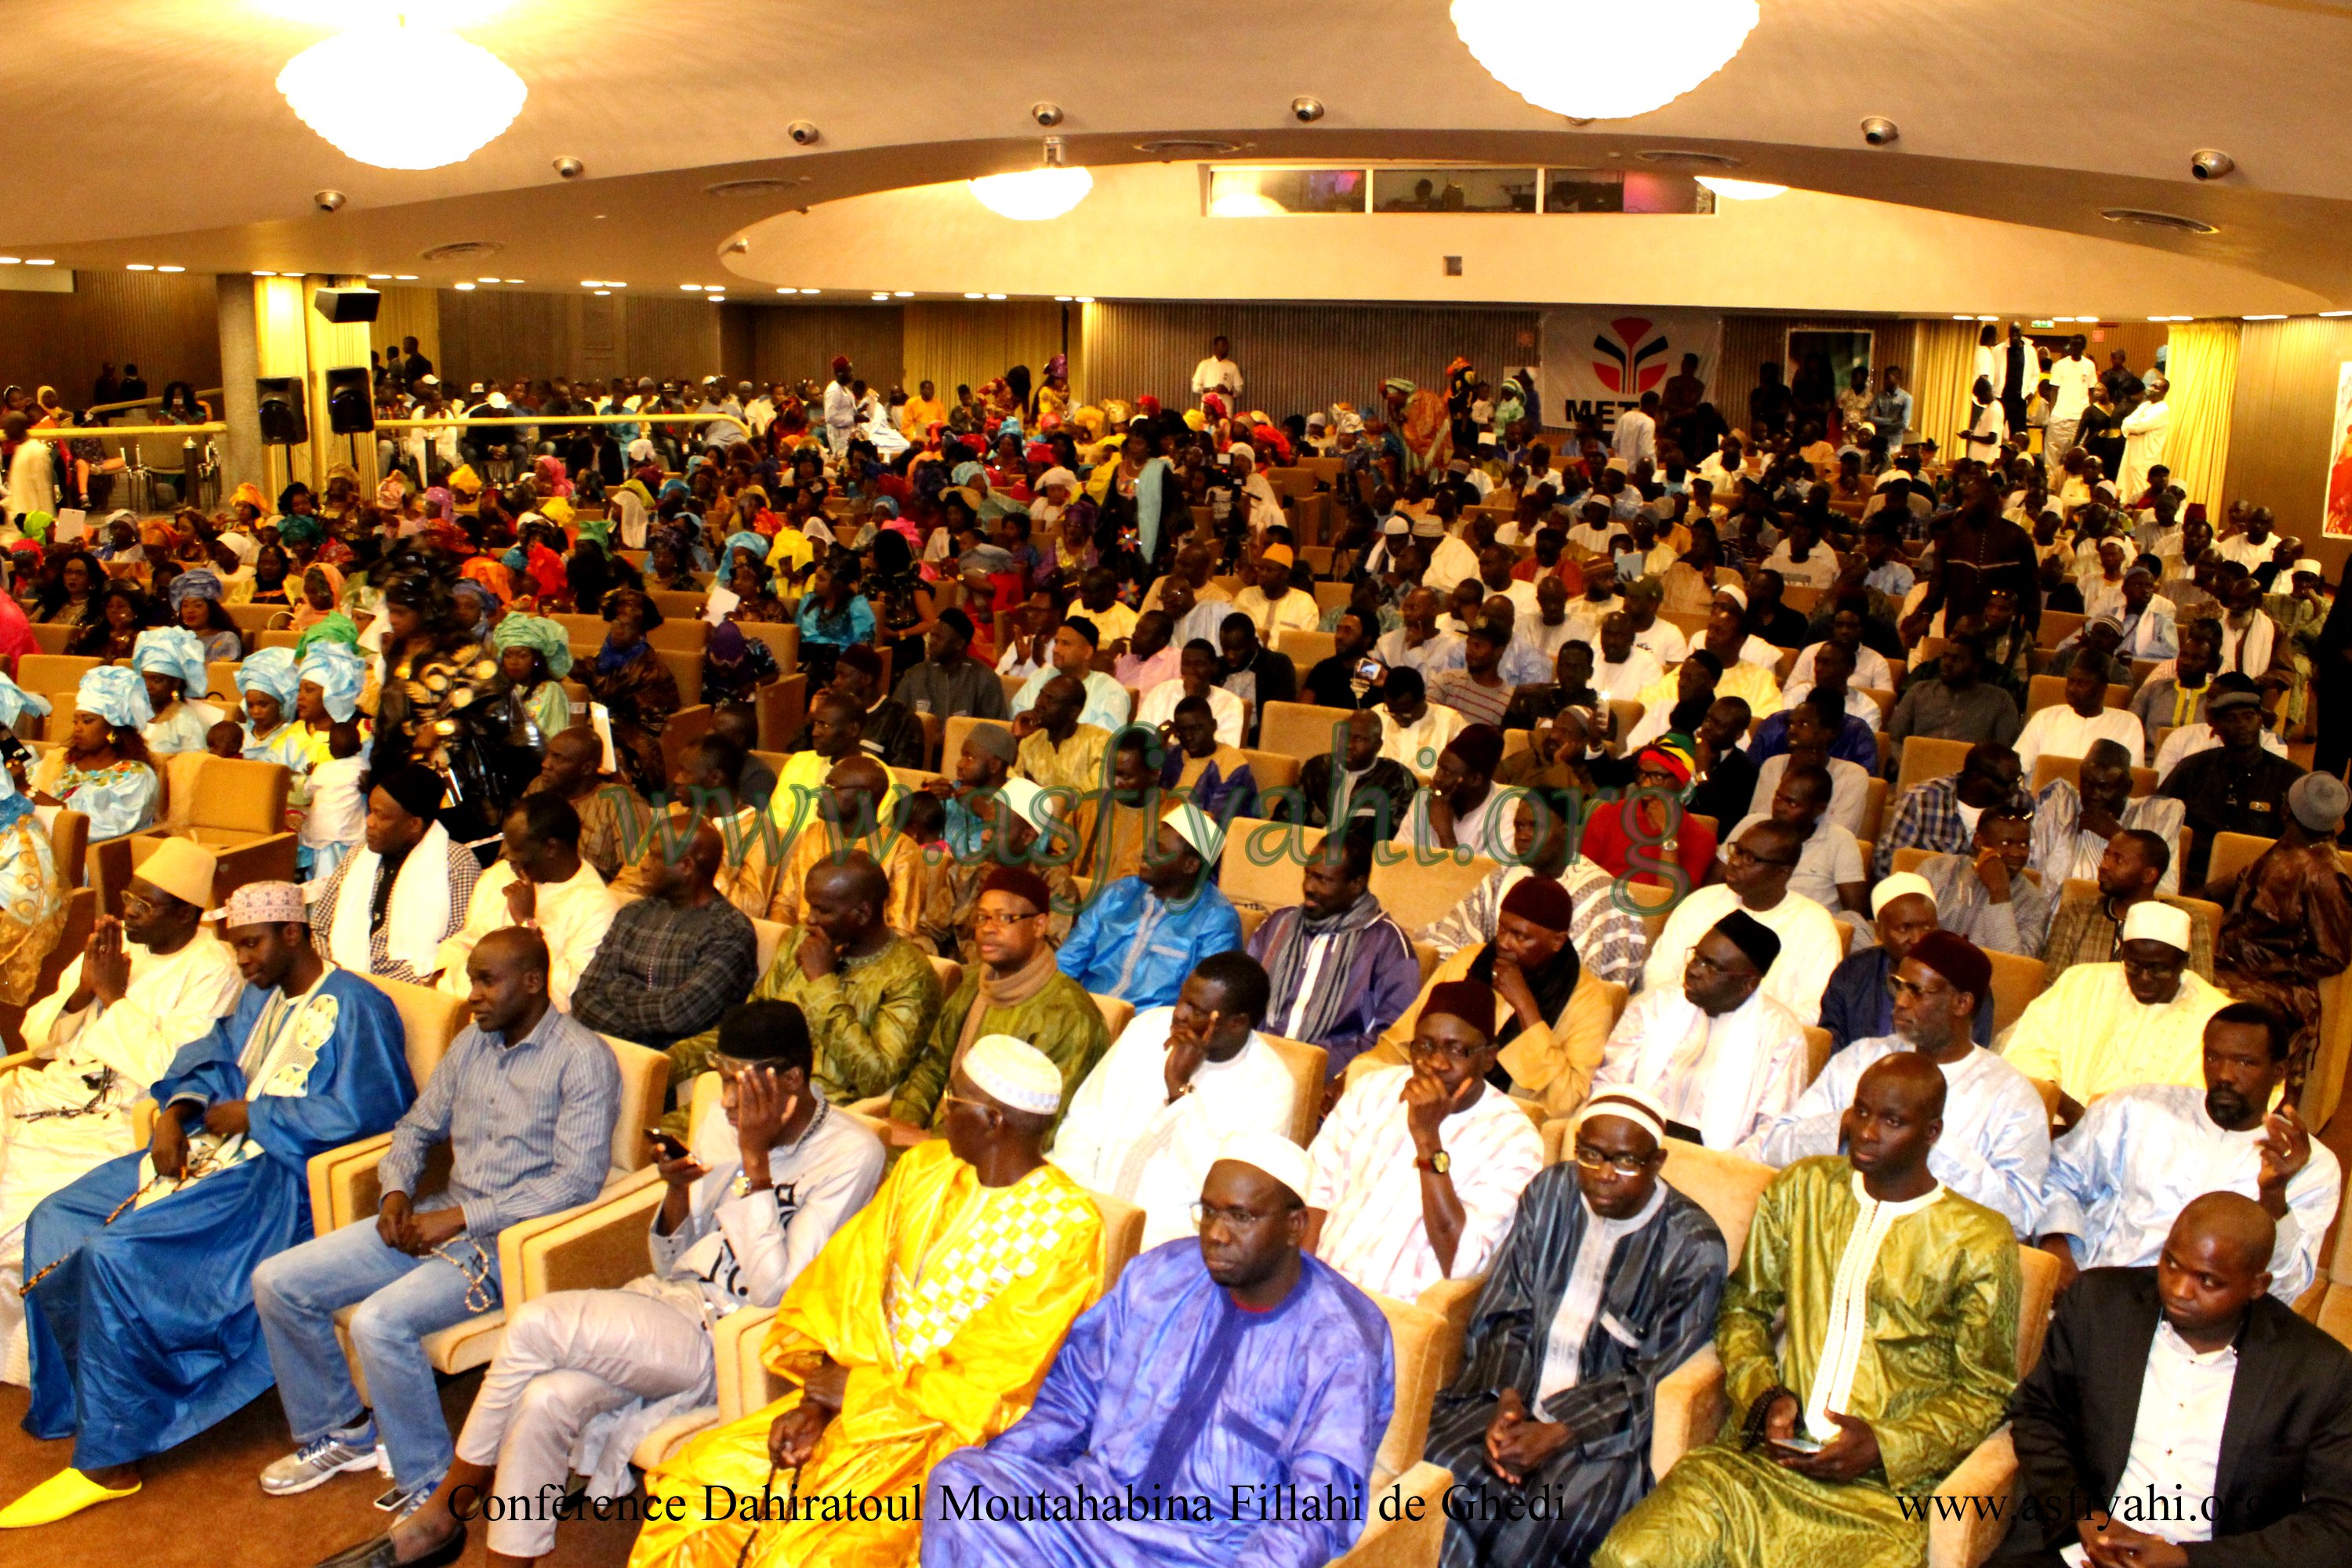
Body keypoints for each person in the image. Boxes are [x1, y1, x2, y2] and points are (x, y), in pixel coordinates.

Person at [318, 1000, 886, 1567]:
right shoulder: (721, 1120)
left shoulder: (851, 1154)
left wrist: (754, 1166)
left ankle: (441, 1515)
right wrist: (677, 1196)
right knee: (544, 1400)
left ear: (791, 1078)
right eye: (722, 1081)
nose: (729, 1102)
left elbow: (775, 1291)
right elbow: (675, 1261)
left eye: (743, 1085)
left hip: (729, 1340)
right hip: (668, 1305)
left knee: (536, 1324)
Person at [2, 882, 413, 1528]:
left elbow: (376, 1110)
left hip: (275, 1182)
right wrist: (174, 1114)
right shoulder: (259, 995)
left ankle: (110, 1461)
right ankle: (86, 1403)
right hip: (207, 1146)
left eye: (251, 946)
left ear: (293, 935)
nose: (242, 961)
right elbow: (209, 1056)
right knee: (57, 1215)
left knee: (113, 1253)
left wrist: (260, 1114)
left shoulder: (360, 1006)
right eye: (237, 946)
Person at [626, 1035, 1106, 1568]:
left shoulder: (1065, 1227)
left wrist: (854, 1395)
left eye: (953, 1099)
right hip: (848, 1402)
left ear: (994, 1121)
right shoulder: (925, 1168)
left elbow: (994, 1384)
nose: (941, 1110)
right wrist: (814, 1404)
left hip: (942, 1444)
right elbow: (845, 1289)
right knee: (693, 1490)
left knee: (806, 1553)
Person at [1592, 1056, 2022, 1568]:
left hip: (1880, 1498)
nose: (1866, 1132)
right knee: (1629, 1556)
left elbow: (1986, 1390)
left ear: (1933, 1132)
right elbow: (1743, 1308)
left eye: (1892, 1121)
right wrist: (1765, 1396)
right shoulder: (1803, 1189)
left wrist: (1885, 1446)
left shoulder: (1977, 1240)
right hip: (1759, 1468)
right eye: (1860, 1112)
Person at [250, 929, 619, 1517]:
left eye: (486, 981)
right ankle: (342, 1431)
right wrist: (395, 1191)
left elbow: (575, 1182)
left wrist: (463, 1218)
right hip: (433, 1218)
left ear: (531, 982)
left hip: (506, 1246)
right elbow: (417, 1127)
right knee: (278, 1281)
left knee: (379, 1322)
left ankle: (434, 1482)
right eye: (471, 979)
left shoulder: (582, 1060)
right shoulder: (473, 1044)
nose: (471, 995)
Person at [925, 1130, 1392, 1568]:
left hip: (1203, 1550)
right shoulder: (1159, 1278)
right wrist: (1004, 1468)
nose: (1216, 1233)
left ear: (1295, 1226)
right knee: (961, 1484)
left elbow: (1316, 1508)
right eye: (1208, 1211)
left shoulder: (1340, 1343)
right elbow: (1070, 1403)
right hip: (1093, 1513)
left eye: (1241, 1216)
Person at [1426, 1087, 1730, 1568]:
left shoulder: (1694, 1247)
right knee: (1437, 1475)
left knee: (1534, 1527)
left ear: (1658, 1162)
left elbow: (1651, 1378)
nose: (1604, 1175)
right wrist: (1508, 1405)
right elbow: (1509, 1307)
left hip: (1604, 1435)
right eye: (1590, 1154)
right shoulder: (1550, 1193)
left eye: (1626, 1161)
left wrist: (1557, 1432)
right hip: (1511, 1391)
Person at [1994, 1192, 2352, 1568]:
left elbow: (2339, 1520)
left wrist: (2184, 1559)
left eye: (2208, 1281)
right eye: (2172, 1263)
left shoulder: (2317, 1370)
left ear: (2257, 1285)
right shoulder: (2099, 1306)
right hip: (2086, 1546)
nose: (2179, 1290)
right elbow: (2038, 1413)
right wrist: (2084, 1517)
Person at [0, 839, 237, 1377]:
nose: (127, 911)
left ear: (185, 914)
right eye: (129, 897)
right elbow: (38, 1038)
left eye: (143, 905)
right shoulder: (114, 948)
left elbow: (177, 1071)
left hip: (123, 1119)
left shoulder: (213, 967)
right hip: (53, 1091)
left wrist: (114, 998)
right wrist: (84, 991)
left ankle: (31, 1357)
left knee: (23, 1209)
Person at [2042, 1001, 2340, 1313]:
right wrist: (2056, 1247)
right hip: (2095, 1297)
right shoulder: (2136, 1108)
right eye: (2213, 1058)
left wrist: (2275, 1197)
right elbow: (2060, 1175)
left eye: (2245, 1063)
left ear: (2279, 1072)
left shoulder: (2311, 1165)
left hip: (2207, 1330)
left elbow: (2285, 1288)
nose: (2224, 1075)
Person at [1744, 931, 2047, 1238]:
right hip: (1827, 1230)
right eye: (1898, 986)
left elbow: (2018, 1217)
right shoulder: (1861, 1058)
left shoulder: (2012, 1096)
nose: (1900, 1002)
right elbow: (1774, 1147)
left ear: (1962, 1003)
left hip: (1931, 1253)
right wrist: (1850, 1121)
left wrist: (1925, 1141)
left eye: (1917, 991)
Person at [1305, 978, 1544, 1301]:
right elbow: (1314, 1192)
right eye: (1425, 1046)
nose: (1436, 1063)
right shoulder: (1372, 1090)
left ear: (1489, 1058)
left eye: (1456, 1050)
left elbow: (1461, 1260)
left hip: (1398, 1316)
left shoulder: (1516, 1141)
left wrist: (1428, 1139)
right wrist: (1301, 1284)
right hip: (1320, 1285)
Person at [1052, 954, 1297, 1249]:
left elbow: (1217, 1191)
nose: (1178, 1014)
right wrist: (1079, 1202)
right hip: (1086, 1209)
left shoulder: (1269, 1087)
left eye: (1197, 1010)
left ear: (1237, 1023)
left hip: (1169, 1249)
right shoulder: (1147, 1030)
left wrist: (1179, 1091)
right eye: (1183, 999)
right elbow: (1082, 1122)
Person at [684, 851, 942, 1109]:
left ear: (863, 913)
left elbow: (875, 1077)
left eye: (823, 910)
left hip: (822, 1115)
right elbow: (751, 1026)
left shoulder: (910, 974)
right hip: (756, 1092)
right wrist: (675, 1059)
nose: (811, 919)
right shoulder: (800, 940)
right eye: (810, 906)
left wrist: (822, 982)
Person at [889, 866, 1109, 1140]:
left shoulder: (1070, 1015)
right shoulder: (972, 984)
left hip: (992, 1166)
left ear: (1039, 925)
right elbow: (932, 1066)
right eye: (982, 917)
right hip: (931, 1147)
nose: (988, 929)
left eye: (1005, 918)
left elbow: (1036, 1130)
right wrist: (902, 1123)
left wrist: (930, 1144)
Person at [2002, 900, 2230, 1126]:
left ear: (2183, 964)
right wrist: (2068, 1108)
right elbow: (2027, 1051)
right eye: (2133, 966)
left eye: (2158, 969)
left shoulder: (2216, 1014)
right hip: (2062, 1128)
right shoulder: (2081, 983)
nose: (2144, 978)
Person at [1597, 912, 1812, 1149]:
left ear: (1748, 984)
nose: (1694, 970)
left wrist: (1710, 1170)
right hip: (1633, 1145)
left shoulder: (1780, 1034)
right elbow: (1610, 1083)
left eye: (1712, 967)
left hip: (1717, 1166)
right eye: (1697, 957)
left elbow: (1771, 1134)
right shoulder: (1656, 1004)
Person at [2209, 770, 2352, 1103]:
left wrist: (2264, 964)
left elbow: (2333, 957)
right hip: (2231, 958)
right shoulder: (2286, 847)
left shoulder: (2327, 877)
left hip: (2280, 985)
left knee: (2213, 1002)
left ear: (2286, 808)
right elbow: (2237, 885)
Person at [1244, 826, 1421, 1080]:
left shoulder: (1386, 943)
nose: (1309, 887)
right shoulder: (1279, 925)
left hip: (1329, 1077)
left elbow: (1393, 1038)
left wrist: (1314, 1066)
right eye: (1308, 875)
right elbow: (1244, 997)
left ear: (1356, 884)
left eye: (1324, 880)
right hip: (1256, 1065)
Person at [569, 818, 759, 1052]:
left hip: (674, 1073)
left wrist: (617, 990)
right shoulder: (633, 914)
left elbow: (677, 1015)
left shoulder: (730, 931)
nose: (644, 865)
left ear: (686, 866)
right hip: (606, 1052)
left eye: (654, 856)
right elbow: (584, 997)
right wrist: (637, 1040)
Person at [1642, 819, 1843, 1025]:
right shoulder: (1701, 902)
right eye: (1737, 851)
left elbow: (1814, 1011)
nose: (1735, 862)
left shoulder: (1815, 925)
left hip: (1759, 1043)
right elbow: (1659, 972)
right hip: (1679, 1023)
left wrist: (1738, 1028)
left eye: (1751, 859)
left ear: (1783, 872)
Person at [433, 795, 617, 1012]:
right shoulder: (498, 876)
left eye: (517, 849)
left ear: (551, 848)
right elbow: (469, 940)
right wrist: (435, 972)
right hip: (451, 1005)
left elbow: (567, 995)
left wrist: (528, 924)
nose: (508, 857)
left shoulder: (596, 907)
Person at [1057, 804, 1243, 1012]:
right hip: (1085, 1013)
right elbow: (1068, 962)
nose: (1145, 854)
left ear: (1190, 866)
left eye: (1160, 850)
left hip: (1150, 1032)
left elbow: (1202, 1002)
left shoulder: (1216, 919)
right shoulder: (1118, 893)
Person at [309, 763, 482, 985]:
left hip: (409, 992)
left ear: (413, 825)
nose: (369, 822)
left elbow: (457, 948)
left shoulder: (457, 863)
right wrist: (334, 976)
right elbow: (319, 928)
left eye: (381, 816)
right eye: (370, 811)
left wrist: (376, 988)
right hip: (339, 982)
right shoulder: (357, 855)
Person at [2154, 676, 2304, 891]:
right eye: (2231, 718)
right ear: (2215, 727)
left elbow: (2299, 848)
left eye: (2248, 716)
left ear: (2261, 720)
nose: (2242, 725)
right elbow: (2159, 819)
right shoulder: (2192, 769)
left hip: (2262, 884)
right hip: (2191, 880)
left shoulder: (2290, 778)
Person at [2041, 828, 2217, 984]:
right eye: (2106, 855)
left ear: (2149, 875)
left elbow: (2200, 992)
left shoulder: (2187, 922)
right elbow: (2051, 983)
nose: (2104, 866)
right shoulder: (2078, 912)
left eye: (2118, 860)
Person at [2029, 738, 2187, 895]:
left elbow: (2165, 892)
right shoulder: (2062, 806)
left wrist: (2118, 835)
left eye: (2104, 787)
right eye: (2087, 783)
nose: (2093, 794)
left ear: (2127, 787)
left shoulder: (2156, 816)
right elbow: (2033, 874)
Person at [26, 666, 161, 838]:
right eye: (75, 722)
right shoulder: (62, 760)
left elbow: (85, 827)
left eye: (87, 721)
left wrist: (28, 790)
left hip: (86, 858)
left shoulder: (136, 776)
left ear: (112, 727)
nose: (78, 729)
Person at [1872, 741, 2029, 881]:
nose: (2014, 791)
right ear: (1976, 777)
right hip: (1927, 896)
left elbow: (2028, 868)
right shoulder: (1923, 800)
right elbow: (1889, 863)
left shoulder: (2021, 804)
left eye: (2017, 781)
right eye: (2005, 783)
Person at [1911, 801, 2052, 957]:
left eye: (2023, 844)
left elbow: (2012, 967)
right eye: (2007, 843)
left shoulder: (2035, 904)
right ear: (1979, 841)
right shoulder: (1935, 871)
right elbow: (1908, 934)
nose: (2017, 853)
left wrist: (2000, 893)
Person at [1728, 760, 1867, 917]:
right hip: (1742, 918)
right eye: (1778, 797)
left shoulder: (1840, 841)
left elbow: (1856, 914)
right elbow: (1713, 882)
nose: (1779, 807)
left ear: (1819, 809)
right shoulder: (1752, 826)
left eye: (1792, 803)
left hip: (1807, 929)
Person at [582, 586, 681, 799]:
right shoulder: (603, 655)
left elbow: (652, 717)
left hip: (635, 731)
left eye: (627, 626)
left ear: (639, 633)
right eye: (616, 623)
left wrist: (610, 724)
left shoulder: (650, 668)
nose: (618, 630)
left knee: (613, 755)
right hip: (600, 721)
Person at [1885, 633, 2024, 760]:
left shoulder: (2000, 700)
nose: (1948, 663)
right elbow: (1893, 739)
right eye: (1945, 656)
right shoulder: (1919, 691)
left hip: (1971, 781)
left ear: (1977, 667)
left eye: (1957, 659)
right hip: (1916, 771)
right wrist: (1908, 762)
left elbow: (2003, 753)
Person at [1293, 705, 1418, 836]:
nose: (1349, 745)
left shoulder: (1396, 778)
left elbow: (1399, 837)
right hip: (1310, 847)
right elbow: (1286, 816)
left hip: (1363, 853)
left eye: (1359, 740)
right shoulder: (1317, 768)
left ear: (1378, 746)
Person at [1010, 615, 1133, 735]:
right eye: (1056, 642)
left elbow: (1106, 739)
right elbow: (1016, 718)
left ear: (1087, 652)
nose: (1056, 649)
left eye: (1065, 643)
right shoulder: (1041, 676)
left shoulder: (1110, 690)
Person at [1407, 724, 1515, 858]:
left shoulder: (1508, 814)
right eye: (1439, 768)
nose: (1436, 778)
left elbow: (1484, 878)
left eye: (1447, 772)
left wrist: (1445, 834)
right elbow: (1399, 863)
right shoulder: (1424, 799)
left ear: (1476, 779)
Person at [895, 608, 1010, 721]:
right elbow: (894, 721)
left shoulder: (985, 679)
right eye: (931, 635)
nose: (931, 642)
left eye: (938, 637)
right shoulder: (915, 675)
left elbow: (996, 730)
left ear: (959, 644)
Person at [1159, 693, 1257, 818]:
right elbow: (1147, 801)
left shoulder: (1233, 767)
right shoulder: (1174, 755)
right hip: (1168, 830)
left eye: (1196, 729)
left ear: (1213, 726)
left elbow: (1216, 824)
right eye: (1183, 730)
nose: (1189, 737)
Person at [1014, 672, 1112, 793]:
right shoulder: (1029, 744)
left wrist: (1040, 791)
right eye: (1041, 695)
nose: (1039, 703)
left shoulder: (1099, 741)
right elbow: (1015, 793)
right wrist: (1017, 739)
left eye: (1050, 700)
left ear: (1073, 712)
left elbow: (1097, 798)